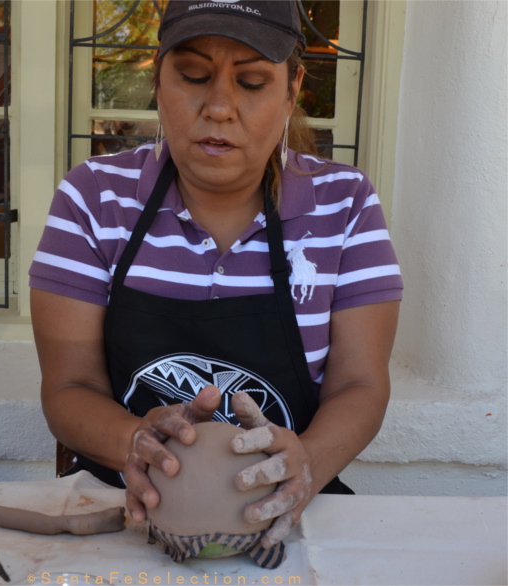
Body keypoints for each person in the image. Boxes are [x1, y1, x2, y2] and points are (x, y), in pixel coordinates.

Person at [29, 0, 402, 555]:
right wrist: (133, 442)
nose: (220, 107)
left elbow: (360, 386)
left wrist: (308, 463)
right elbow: (69, 388)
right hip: (126, 516)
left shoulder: (345, 206)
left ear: (293, 87)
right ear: (158, 78)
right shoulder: (94, 198)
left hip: (286, 513)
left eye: (252, 82)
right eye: (194, 76)